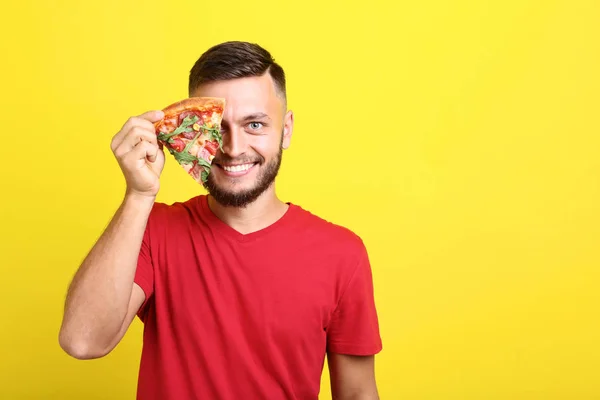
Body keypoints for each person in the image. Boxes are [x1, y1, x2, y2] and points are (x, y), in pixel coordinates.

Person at [59, 41, 382, 400]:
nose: (232, 148)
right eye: (214, 127)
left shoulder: (341, 253)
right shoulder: (153, 230)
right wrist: (139, 194)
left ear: (286, 129)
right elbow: (82, 340)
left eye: (255, 124)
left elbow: (357, 394)